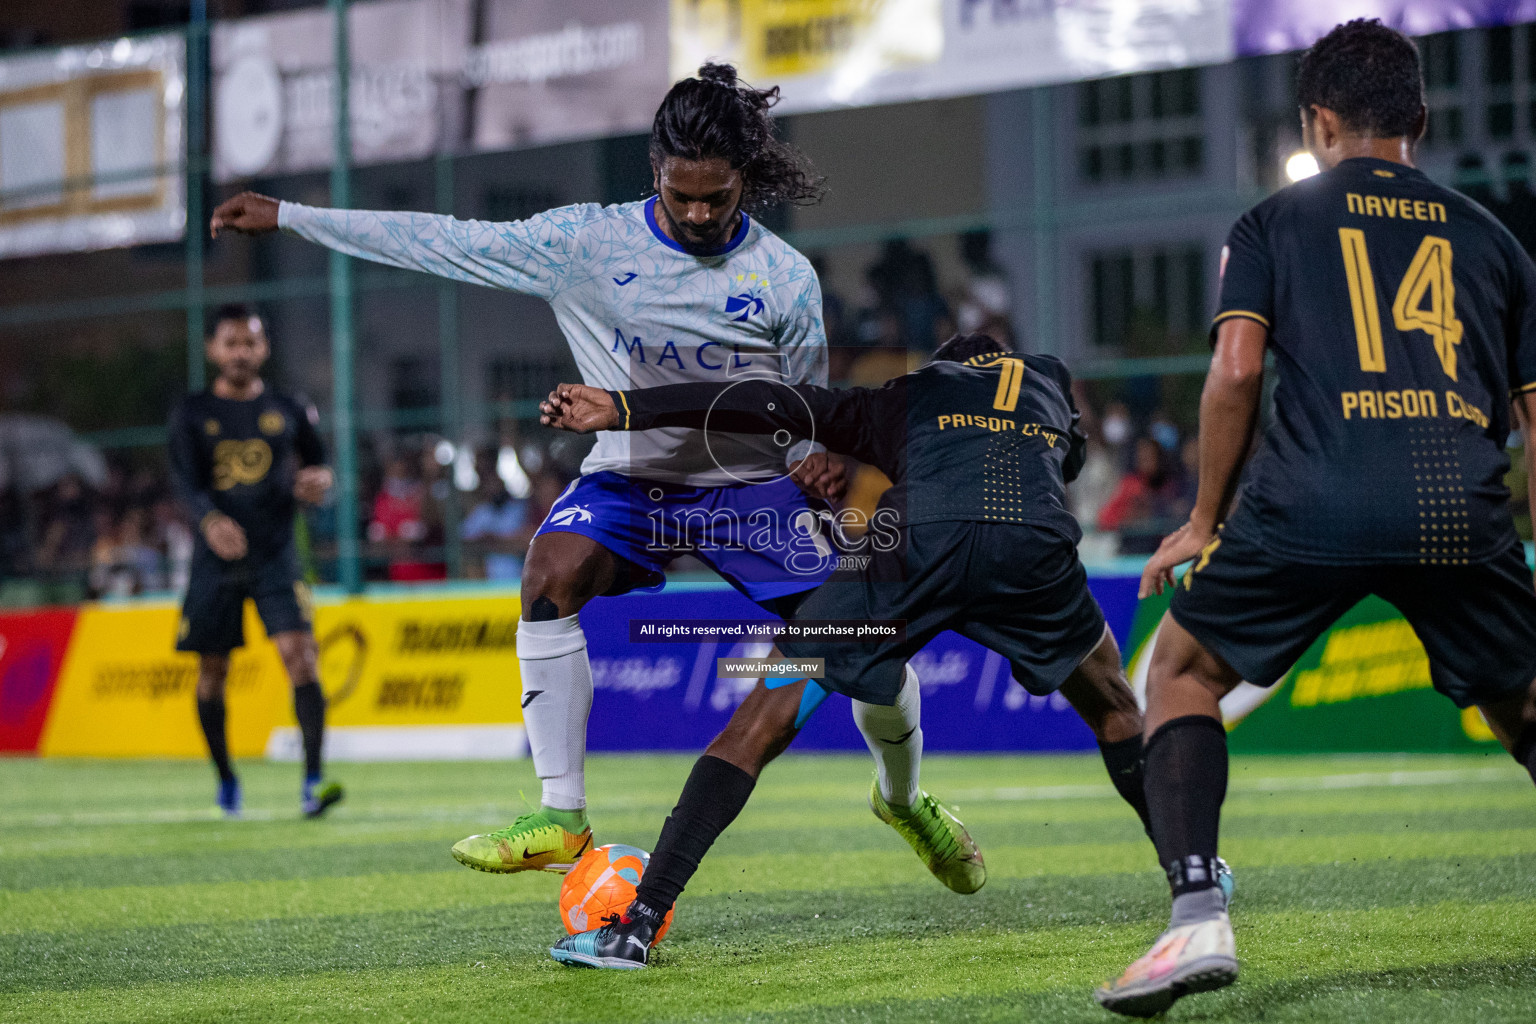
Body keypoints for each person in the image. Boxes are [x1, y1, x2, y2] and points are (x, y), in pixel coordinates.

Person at [210, 63, 944, 875]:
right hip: (630, 480)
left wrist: (812, 461)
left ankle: (904, 797)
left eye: (717, 198)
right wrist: (290, 216)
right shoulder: (586, 243)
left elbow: (801, 401)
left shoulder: (783, 277)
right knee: (547, 575)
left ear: (747, 181)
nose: (698, 213)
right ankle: (562, 818)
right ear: (654, 171)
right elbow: (441, 241)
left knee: (867, 643)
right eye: (681, 195)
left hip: (747, 494)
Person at [1095, 21, 1536, 1016]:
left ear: (1319, 121)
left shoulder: (1272, 222)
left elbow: (1238, 369)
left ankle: (1197, 913)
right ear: (1420, 120)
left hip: (1312, 504)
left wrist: (1204, 516)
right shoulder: (1494, 237)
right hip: (1452, 505)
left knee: (1181, 670)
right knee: (1526, 706)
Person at [536, 331, 1197, 969]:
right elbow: (1064, 462)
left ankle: (639, 924)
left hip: (909, 551)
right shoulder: (1047, 381)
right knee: (1116, 707)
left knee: (761, 719)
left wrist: (626, 407)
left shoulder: (901, 399)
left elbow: (762, 400)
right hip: (1029, 554)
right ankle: (1194, 883)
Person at [168, 305, 344, 819]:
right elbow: (184, 481)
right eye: (230, 343)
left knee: (301, 656)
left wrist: (321, 481)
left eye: (249, 343)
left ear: (263, 348)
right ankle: (226, 782)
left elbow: (320, 464)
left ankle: (313, 782)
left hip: (276, 553)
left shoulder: (290, 407)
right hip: (213, 561)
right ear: (212, 350)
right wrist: (208, 522)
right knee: (211, 671)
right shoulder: (192, 413)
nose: (240, 352)